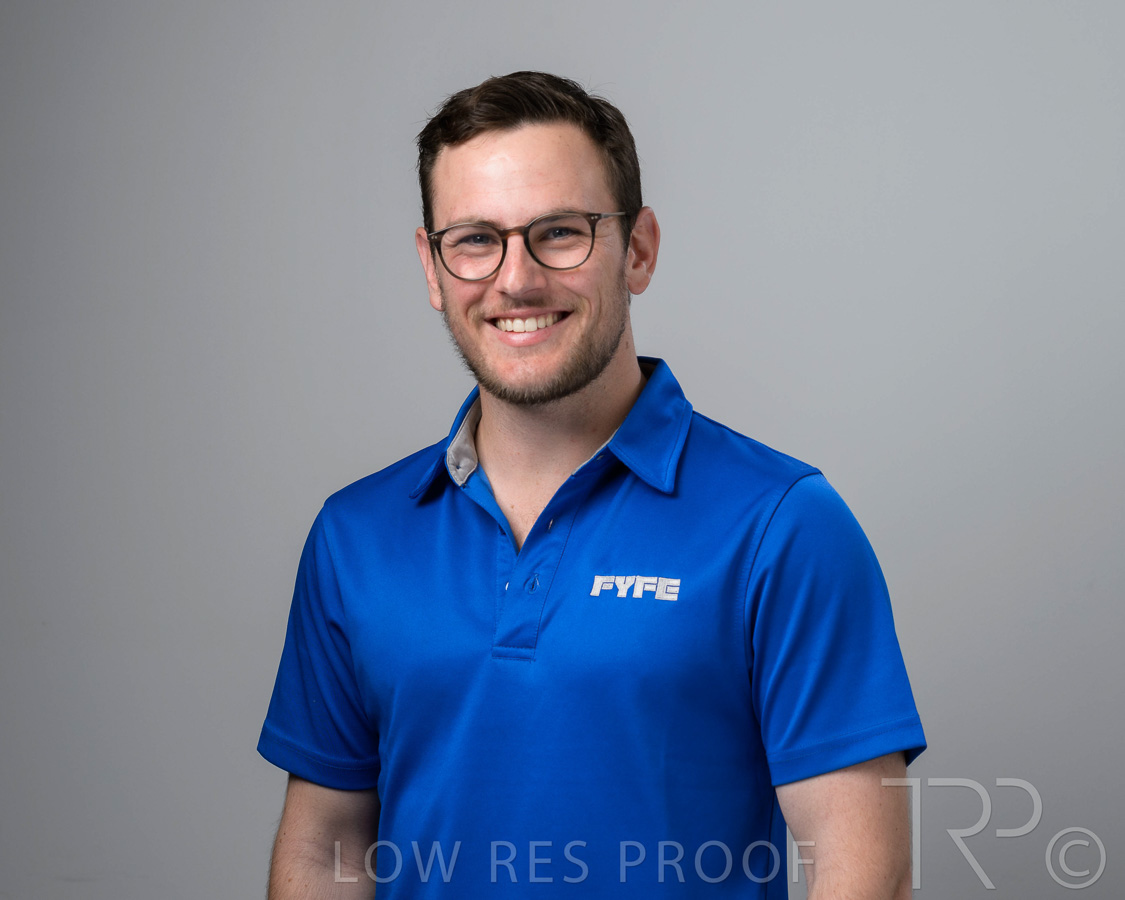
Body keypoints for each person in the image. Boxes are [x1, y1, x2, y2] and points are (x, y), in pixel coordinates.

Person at [259, 71, 925, 899]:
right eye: (475, 240)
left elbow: (866, 874)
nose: (516, 279)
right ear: (432, 268)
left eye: (559, 233)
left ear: (637, 250)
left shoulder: (779, 525)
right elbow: (325, 849)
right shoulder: (355, 536)